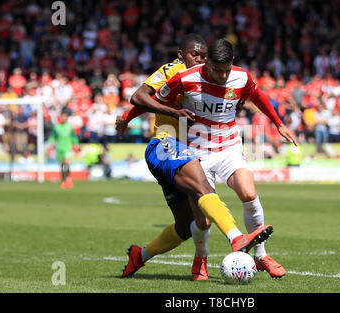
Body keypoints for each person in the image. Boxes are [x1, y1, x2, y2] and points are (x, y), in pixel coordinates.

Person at [121, 38, 297, 279]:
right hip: (186, 148)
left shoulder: (241, 77)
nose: (222, 76)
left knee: (245, 195)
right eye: (202, 59)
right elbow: (146, 98)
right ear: (184, 55)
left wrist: (278, 124)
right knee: (200, 221)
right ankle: (202, 256)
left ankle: (261, 254)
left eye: (225, 69)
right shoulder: (181, 76)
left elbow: (257, 96)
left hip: (226, 147)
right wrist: (127, 117)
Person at [48, 110, 80, 189]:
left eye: (65, 117)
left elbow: (73, 137)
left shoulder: (69, 127)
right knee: (62, 165)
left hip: (67, 148)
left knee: (67, 162)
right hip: (59, 148)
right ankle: (64, 180)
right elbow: (53, 137)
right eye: (62, 117)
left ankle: (68, 179)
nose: (63, 118)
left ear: (67, 118)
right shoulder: (57, 127)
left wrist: (76, 145)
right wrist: (50, 147)